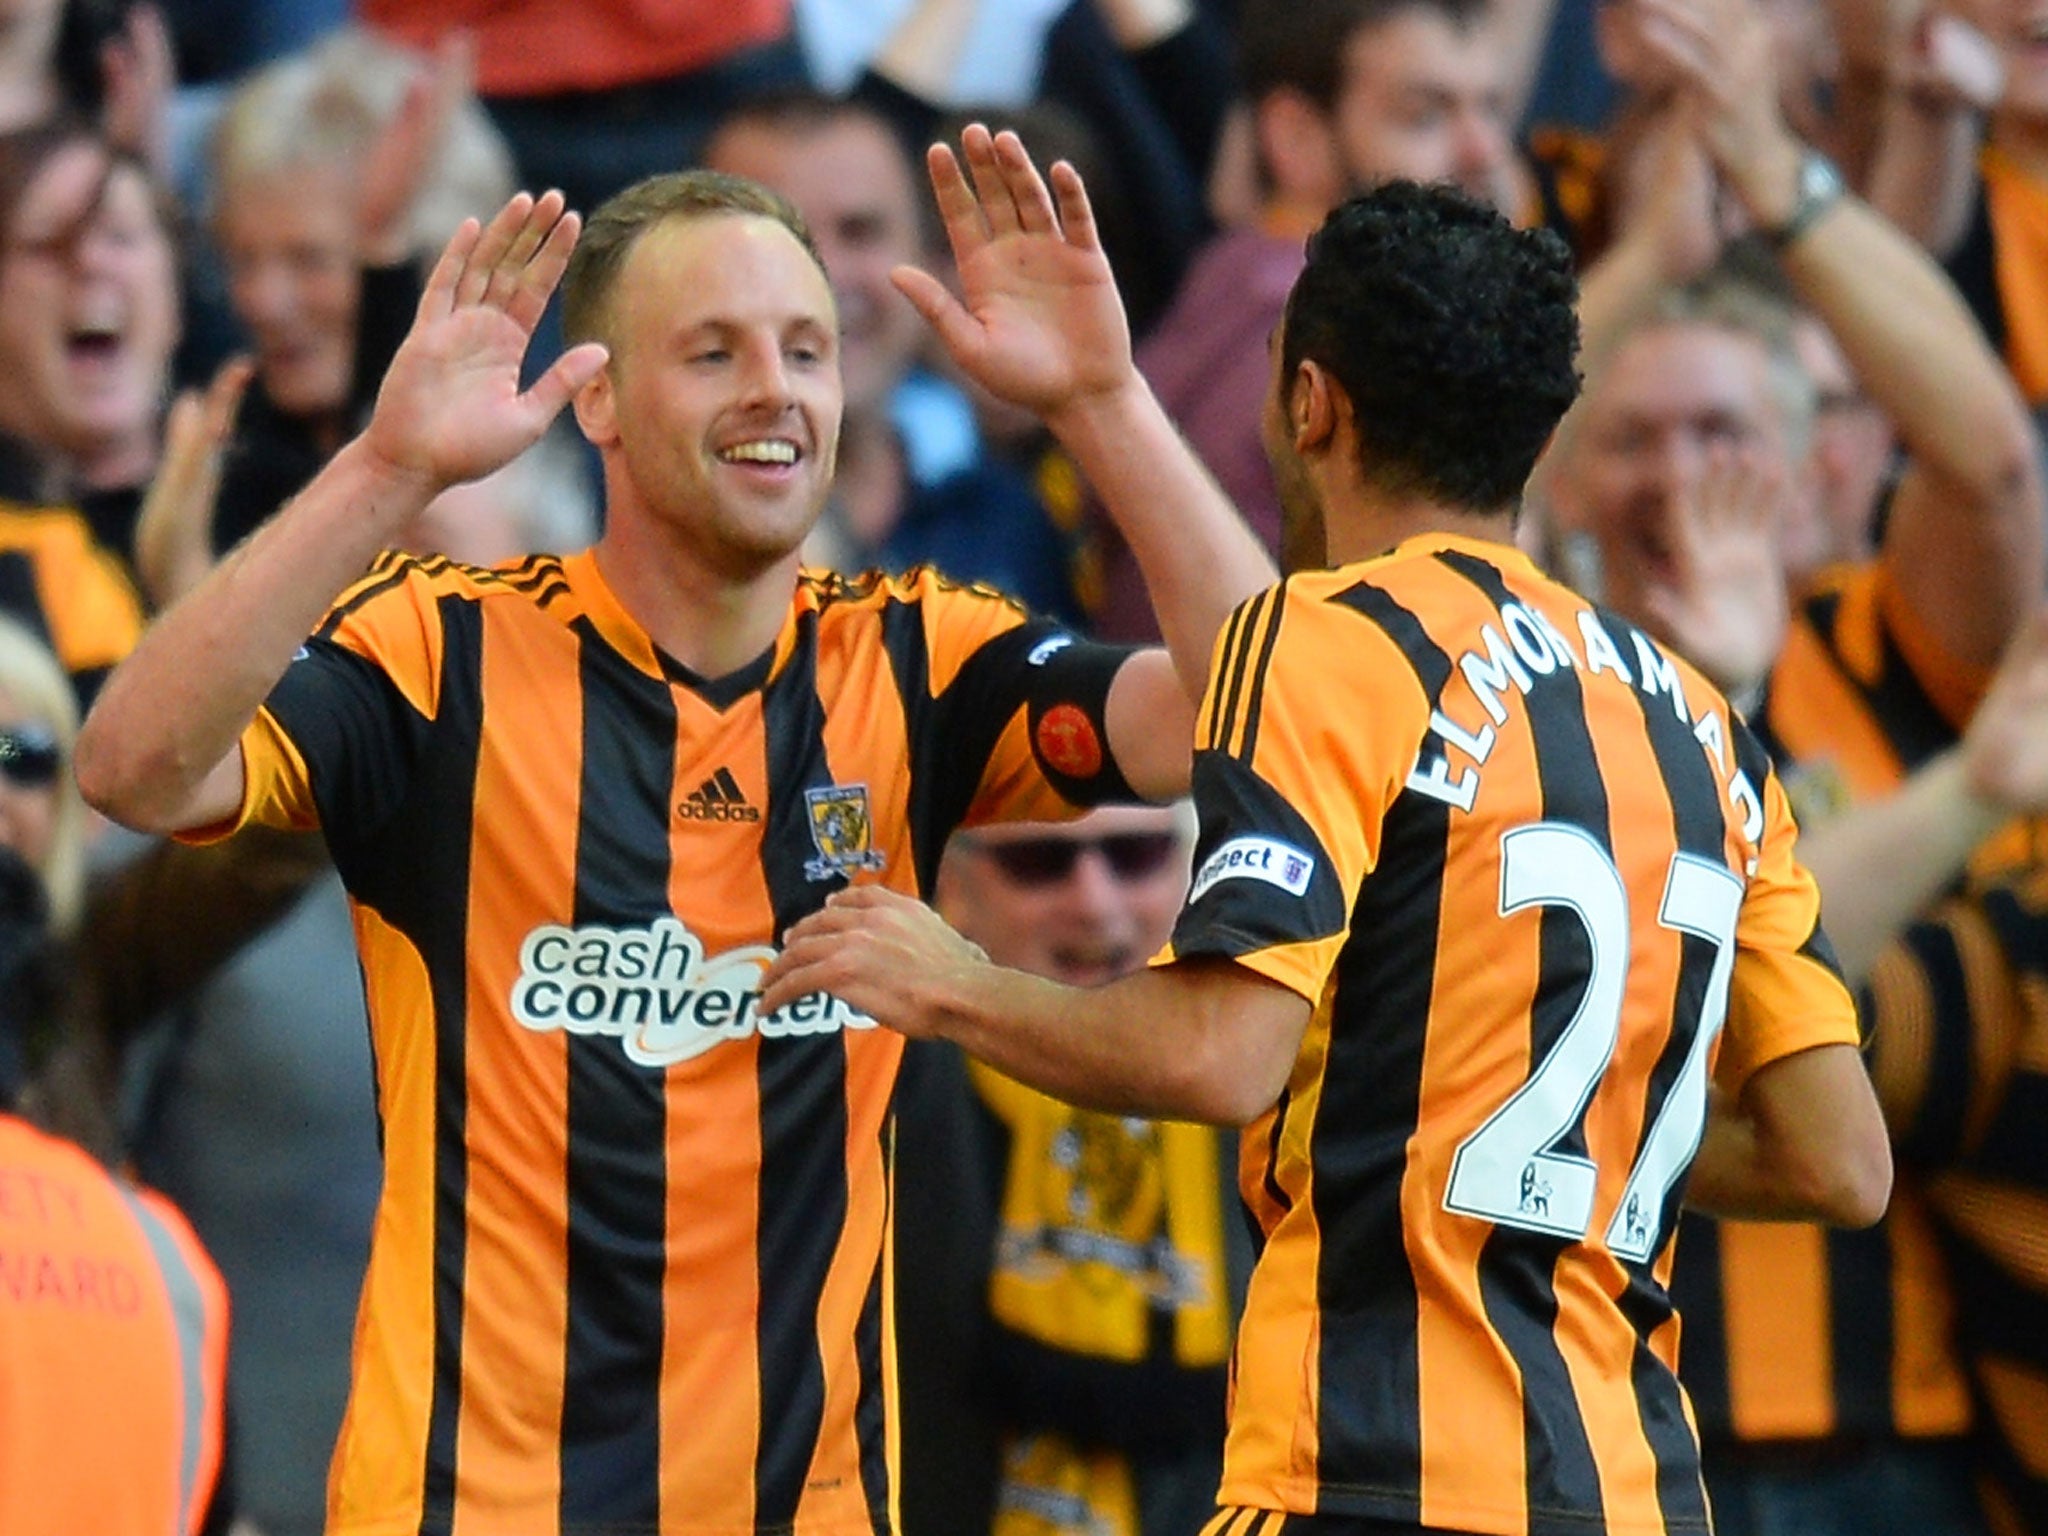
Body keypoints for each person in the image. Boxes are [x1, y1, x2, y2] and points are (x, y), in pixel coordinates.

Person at [74, 126, 1274, 1535]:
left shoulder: (915, 663)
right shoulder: (437, 655)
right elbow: (134, 769)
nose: (776, 390)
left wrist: (1104, 401)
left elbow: (1256, 696)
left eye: (807, 350)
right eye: (713, 352)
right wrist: (386, 470)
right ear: (599, 402)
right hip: (471, 1507)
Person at [760, 177, 1893, 1536]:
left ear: (1310, 406)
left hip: (1364, 1476)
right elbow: (1841, 1164)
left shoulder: (1325, 643)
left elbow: (1216, 1057)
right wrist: (1513, 1112)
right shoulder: (1699, 720)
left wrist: (953, 983)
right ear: (1540, 435)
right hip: (1640, 1493)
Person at [1091, 0, 1525, 640]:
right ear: (1294, 136)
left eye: (1492, 109)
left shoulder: (1239, 278)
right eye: (1424, 115)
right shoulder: (1332, 328)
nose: (1484, 150)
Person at [930, 803, 1246, 1536]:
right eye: (1038, 864)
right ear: (953, 888)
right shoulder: (872, 1100)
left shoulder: (1286, 1098)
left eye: (1135, 856)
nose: (1094, 902)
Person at [702, 90, 1084, 619]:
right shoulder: (616, 519)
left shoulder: (1009, 516)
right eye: (778, 239)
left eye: (860, 232)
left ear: (927, 258)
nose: (825, 278)